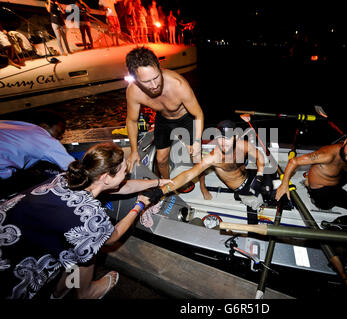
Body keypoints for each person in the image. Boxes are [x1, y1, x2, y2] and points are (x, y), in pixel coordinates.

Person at [0, 142, 173, 299]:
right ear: (105, 177)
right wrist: (139, 206)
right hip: (12, 261)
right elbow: (112, 237)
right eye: (123, 171)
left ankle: (58, 293)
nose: (127, 172)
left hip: (9, 223)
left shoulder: (67, 178)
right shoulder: (91, 218)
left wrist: (157, 182)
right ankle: (85, 293)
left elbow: (122, 187)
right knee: (88, 250)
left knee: (79, 248)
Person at [147, 120, 274, 224]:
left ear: (236, 137)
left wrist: (259, 175)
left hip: (251, 174)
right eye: (220, 138)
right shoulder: (214, 157)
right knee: (269, 195)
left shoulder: (242, 145)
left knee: (273, 179)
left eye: (228, 138)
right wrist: (162, 190)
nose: (223, 143)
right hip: (241, 187)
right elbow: (188, 175)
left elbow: (258, 155)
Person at [125, 47, 208, 198]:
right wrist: (134, 150)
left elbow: (198, 114)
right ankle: (168, 187)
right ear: (135, 80)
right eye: (146, 81)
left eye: (156, 77)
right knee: (160, 159)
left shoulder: (178, 84)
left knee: (196, 157)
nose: (154, 85)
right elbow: (131, 120)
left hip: (186, 118)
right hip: (163, 119)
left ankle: (203, 185)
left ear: (159, 67)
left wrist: (196, 142)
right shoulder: (133, 92)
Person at [0, 111, 75, 197]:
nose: (60, 137)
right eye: (59, 132)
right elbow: (71, 166)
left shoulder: (12, 125)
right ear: (44, 126)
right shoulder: (44, 139)